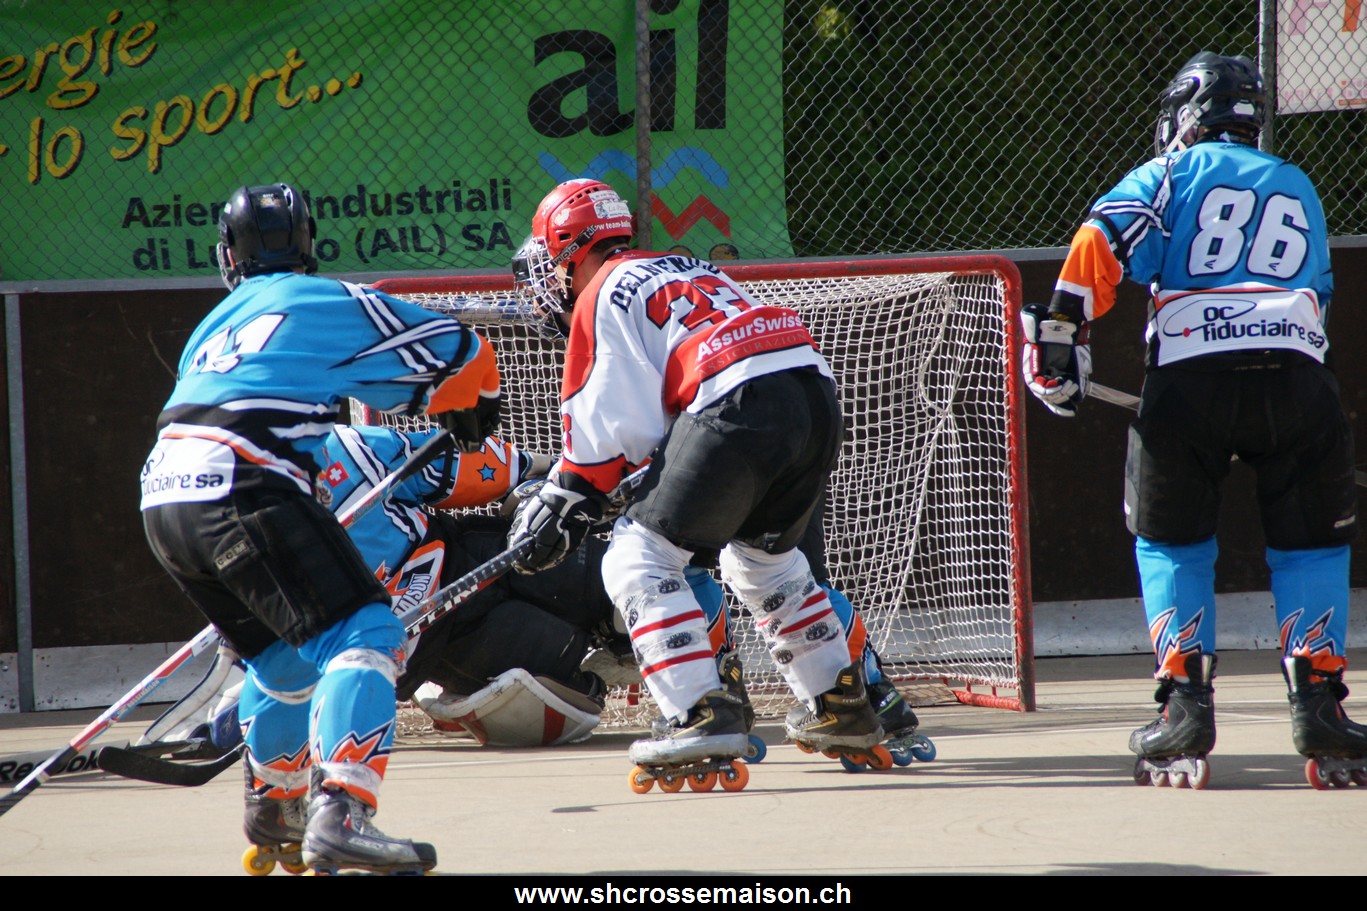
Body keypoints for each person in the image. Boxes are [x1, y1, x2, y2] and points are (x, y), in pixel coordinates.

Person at [1021, 52, 1365, 788]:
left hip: (1188, 383)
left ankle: (1183, 706)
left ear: (1184, 115)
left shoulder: (1170, 172)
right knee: (1310, 544)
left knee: (1172, 541)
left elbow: (1100, 240)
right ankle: (1320, 705)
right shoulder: (1297, 183)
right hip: (1300, 380)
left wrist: (1058, 339)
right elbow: (1320, 295)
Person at [140, 182, 501, 874]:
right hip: (245, 482)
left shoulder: (209, 328)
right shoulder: (325, 298)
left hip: (164, 499)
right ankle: (342, 811)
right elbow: (464, 352)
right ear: (308, 244)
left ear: (227, 255)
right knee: (368, 633)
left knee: (285, 660)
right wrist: (471, 405)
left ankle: (276, 806)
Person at [507, 177, 890, 783]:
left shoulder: (601, 291)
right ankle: (842, 703)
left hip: (737, 399)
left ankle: (697, 715)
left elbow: (609, 433)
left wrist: (565, 496)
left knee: (636, 559)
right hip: (812, 394)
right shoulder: (685, 266)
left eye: (551, 262)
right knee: (765, 565)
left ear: (570, 247)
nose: (549, 279)